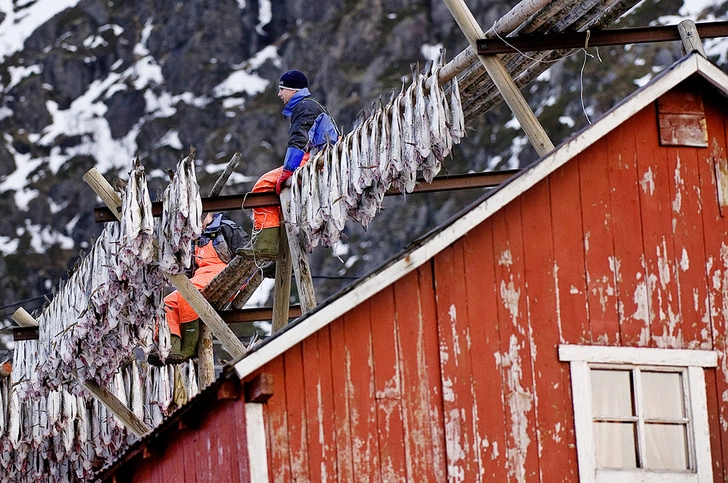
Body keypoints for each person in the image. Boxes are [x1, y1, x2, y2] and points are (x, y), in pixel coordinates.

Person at [238, 70, 339, 259]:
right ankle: (273, 251)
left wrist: (288, 170)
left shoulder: (304, 107)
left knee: (264, 185)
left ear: (293, 90)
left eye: (282, 89)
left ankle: (266, 245)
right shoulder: (311, 105)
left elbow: (298, 141)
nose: (279, 94)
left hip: (319, 157)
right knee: (276, 192)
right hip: (323, 156)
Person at [157, 212, 247, 364]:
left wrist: (242, 280)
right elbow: (187, 269)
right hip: (199, 278)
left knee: (187, 295)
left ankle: (189, 348)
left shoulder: (226, 227)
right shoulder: (193, 238)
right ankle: (173, 350)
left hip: (224, 275)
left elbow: (245, 255)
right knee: (167, 303)